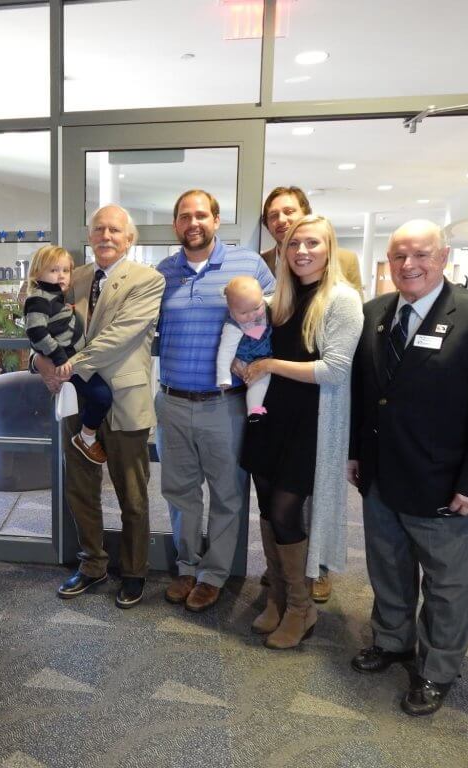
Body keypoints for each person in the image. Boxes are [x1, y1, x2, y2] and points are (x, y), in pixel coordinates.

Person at [348, 219, 468, 717]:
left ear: (444, 258)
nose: (409, 265)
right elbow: (369, 396)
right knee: (388, 568)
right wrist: (357, 453)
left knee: (447, 583)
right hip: (381, 476)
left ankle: (438, 669)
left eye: (421, 255)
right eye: (399, 256)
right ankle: (393, 640)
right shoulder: (375, 313)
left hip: (445, 484)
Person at [240, 214, 362, 649]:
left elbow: (335, 370)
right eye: (294, 245)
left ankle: (300, 607)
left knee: (288, 510)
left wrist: (269, 365)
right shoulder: (279, 298)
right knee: (268, 509)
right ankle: (276, 595)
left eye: (312, 243)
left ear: (329, 249)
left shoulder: (342, 299)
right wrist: (243, 362)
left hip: (310, 422)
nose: (302, 252)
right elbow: (251, 343)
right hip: (269, 417)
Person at [34, 205, 164, 609]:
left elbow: (121, 336)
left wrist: (68, 366)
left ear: (129, 238)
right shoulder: (75, 277)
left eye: (114, 230)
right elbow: (43, 321)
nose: (105, 236)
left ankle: (134, 571)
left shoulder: (148, 279)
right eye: (98, 229)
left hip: (124, 398)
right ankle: (92, 564)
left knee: (133, 494)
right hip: (76, 401)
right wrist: (40, 362)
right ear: (90, 236)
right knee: (80, 488)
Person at [156, 190, 274, 613]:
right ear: (175, 225)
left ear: (217, 220)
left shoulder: (249, 265)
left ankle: (214, 574)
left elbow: (275, 317)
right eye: (184, 216)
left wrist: (255, 361)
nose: (193, 223)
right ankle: (187, 566)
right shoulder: (162, 273)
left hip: (224, 404)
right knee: (180, 491)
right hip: (171, 400)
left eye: (201, 215)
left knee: (227, 492)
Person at [22, 244, 112, 464]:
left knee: (96, 396)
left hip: (72, 360)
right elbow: (35, 331)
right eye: (53, 270)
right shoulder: (39, 298)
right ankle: (86, 437)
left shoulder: (54, 295)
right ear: (37, 273)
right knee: (102, 396)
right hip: (68, 362)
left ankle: (85, 433)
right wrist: (57, 357)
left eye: (65, 270)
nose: (61, 275)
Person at [216, 276, 274, 418]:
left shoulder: (267, 305)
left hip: (266, 355)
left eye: (256, 308)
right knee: (258, 382)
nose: (251, 316)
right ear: (231, 310)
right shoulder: (233, 325)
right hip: (246, 360)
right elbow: (225, 352)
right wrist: (223, 377)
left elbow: (277, 298)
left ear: (262, 297)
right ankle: (254, 410)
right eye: (243, 313)